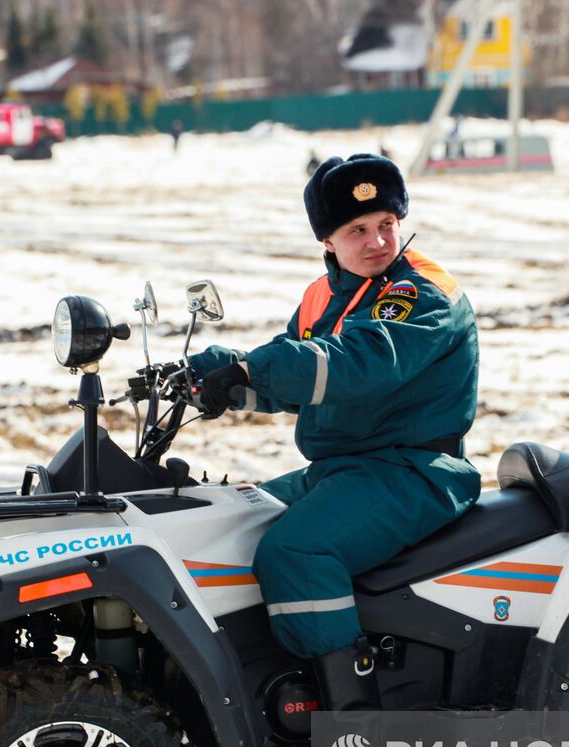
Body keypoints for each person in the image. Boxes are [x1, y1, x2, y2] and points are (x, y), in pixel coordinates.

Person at [189, 154, 480, 711]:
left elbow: (357, 363)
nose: (378, 241)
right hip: (343, 469)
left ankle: (353, 719)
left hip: (413, 471)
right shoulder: (324, 295)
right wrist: (212, 375)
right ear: (327, 240)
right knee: (235, 520)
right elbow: (295, 377)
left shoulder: (422, 291)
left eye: (386, 224)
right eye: (358, 230)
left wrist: (253, 370)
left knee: (295, 552)